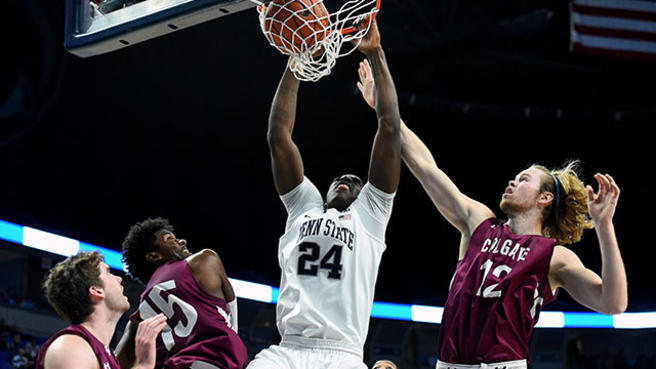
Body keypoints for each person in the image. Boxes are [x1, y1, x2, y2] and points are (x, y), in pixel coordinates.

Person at [356, 59, 627, 368]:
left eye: (524, 179)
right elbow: (427, 167)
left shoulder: (553, 257)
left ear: (545, 198)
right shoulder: (478, 222)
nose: (513, 181)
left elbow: (613, 303)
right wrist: (386, 112)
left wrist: (605, 226)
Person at [246, 19, 401, 369]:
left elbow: (389, 128)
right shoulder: (303, 207)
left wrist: (376, 53)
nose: (344, 179)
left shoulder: (370, 215)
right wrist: (296, 63)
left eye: (354, 181)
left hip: (341, 354)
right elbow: (278, 135)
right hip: (287, 349)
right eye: (339, 178)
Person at [116, 217, 247, 369]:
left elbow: (117, 362)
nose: (182, 241)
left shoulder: (141, 310)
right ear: (154, 256)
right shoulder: (204, 260)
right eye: (169, 239)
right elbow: (232, 322)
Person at [35, 251, 167, 369]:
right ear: (96, 290)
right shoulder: (72, 346)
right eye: (109, 273)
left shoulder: (107, 356)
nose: (119, 279)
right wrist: (143, 365)